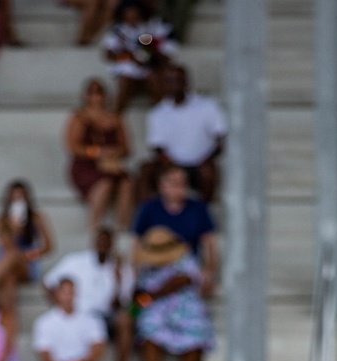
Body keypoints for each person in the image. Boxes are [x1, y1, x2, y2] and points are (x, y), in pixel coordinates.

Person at [45, 229, 135, 361]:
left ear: (112, 245)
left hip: (105, 317)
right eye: (100, 242)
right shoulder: (75, 262)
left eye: (107, 243)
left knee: (125, 321)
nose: (103, 246)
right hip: (79, 315)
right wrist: (61, 305)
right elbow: (48, 283)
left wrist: (118, 281)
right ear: (94, 243)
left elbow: (122, 304)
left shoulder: (121, 268)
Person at [132, 225, 215, 361]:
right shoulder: (147, 267)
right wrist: (140, 300)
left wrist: (152, 295)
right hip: (156, 311)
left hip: (186, 309)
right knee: (148, 325)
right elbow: (138, 294)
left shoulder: (185, 260)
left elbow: (182, 280)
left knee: (197, 329)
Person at [144, 64, 226, 203]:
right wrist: (171, 164)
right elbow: (157, 146)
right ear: (164, 84)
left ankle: (203, 213)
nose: (174, 85)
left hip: (201, 163)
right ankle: (153, 212)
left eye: (177, 80)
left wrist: (206, 159)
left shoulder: (207, 105)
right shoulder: (158, 113)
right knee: (146, 170)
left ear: (186, 82)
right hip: (172, 164)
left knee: (208, 172)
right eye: (169, 81)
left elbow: (220, 138)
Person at [132, 161, 218, 293]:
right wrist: (135, 269)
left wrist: (209, 271)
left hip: (185, 268)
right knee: (142, 296)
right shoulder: (149, 208)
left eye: (182, 182)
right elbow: (137, 241)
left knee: (178, 286)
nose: (178, 187)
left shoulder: (198, 208)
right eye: (173, 182)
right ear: (161, 186)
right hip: (154, 265)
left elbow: (209, 242)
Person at [66, 78, 134, 231]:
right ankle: (94, 227)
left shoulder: (115, 118)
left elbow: (126, 148)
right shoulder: (79, 117)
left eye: (99, 93)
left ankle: (122, 227)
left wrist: (114, 153)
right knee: (104, 183)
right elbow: (73, 146)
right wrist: (97, 152)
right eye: (92, 93)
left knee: (127, 183)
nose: (96, 97)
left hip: (111, 165)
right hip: (87, 166)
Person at [0, 179, 55, 312]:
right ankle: (6, 322)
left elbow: (49, 246)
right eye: (14, 197)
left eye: (21, 197)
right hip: (6, 261)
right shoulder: (0, 219)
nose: (18, 201)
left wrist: (29, 255)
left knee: (15, 256)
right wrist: (14, 230)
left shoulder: (36, 217)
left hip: (27, 263)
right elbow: (7, 246)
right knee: (10, 280)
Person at [102, 0, 177, 113]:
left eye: (135, 15)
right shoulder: (117, 30)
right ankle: (116, 118)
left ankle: (164, 116)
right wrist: (130, 57)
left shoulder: (158, 27)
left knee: (155, 78)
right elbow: (109, 55)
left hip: (151, 71)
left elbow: (167, 57)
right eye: (128, 15)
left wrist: (149, 56)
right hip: (127, 74)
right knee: (125, 81)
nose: (132, 18)